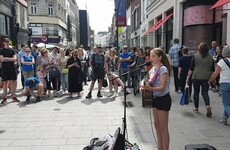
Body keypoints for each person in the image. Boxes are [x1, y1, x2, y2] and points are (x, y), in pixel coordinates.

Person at [140, 48, 171, 150]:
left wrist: (150, 88)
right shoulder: (152, 69)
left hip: (163, 99)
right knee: (157, 125)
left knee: (163, 127)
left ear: (160, 57)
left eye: (153, 56)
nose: (151, 58)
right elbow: (145, 80)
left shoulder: (163, 69)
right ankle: (160, 147)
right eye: (150, 56)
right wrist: (143, 86)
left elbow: (162, 88)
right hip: (155, 99)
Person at [186, 42, 215, 117]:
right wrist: (213, 79)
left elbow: (191, 68)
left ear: (199, 49)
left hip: (196, 77)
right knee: (205, 93)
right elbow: (212, 70)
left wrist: (188, 77)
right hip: (206, 77)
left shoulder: (195, 56)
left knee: (196, 92)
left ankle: (196, 108)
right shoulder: (211, 58)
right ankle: (207, 105)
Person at [209, 45, 230, 125]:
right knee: (228, 103)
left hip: (225, 84)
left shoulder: (222, 62)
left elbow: (216, 73)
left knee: (226, 103)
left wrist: (211, 80)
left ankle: (225, 118)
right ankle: (224, 119)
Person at [0, 38, 20, 104]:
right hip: (5, 68)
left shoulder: (12, 50)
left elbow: (14, 59)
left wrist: (7, 58)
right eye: (6, 42)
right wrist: (10, 59)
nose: (7, 43)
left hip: (11, 68)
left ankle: (14, 96)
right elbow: (2, 59)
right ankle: (5, 97)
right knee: (5, 83)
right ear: (3, 43)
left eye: (8, 41)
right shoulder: (2, 50)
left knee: (13, 82)